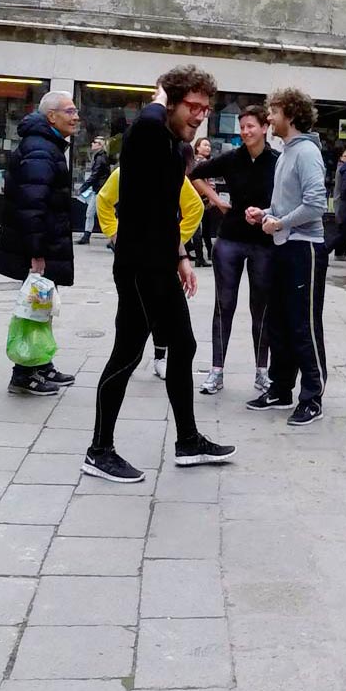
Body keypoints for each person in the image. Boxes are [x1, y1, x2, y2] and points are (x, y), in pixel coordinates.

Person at [83, 65, 235, 483]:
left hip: (160, 264)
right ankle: (99, 451)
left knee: (182, 345)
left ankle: (187, 441)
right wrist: (159, 96)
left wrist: (181, 255)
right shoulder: (147, 133)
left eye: (206, 109)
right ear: (171, 101)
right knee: (127, 354)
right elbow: (152, 115)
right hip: (136, 266)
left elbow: (167, 211)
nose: (200, 115)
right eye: (192, 106)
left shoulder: (173, 147)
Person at [245, 87, 329, 426]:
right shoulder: (287, 152)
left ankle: (312, 395)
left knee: (303, 324)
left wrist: (279, 221)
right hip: (283, 245)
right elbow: (290, 204)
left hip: (303, 248)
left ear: (291, 116)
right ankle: (281, 389)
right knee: (278, 320)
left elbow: (316, 205)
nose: (269, 118)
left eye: (274, 112)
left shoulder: (306, 152)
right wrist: (264, 212)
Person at [96, 142, 205, 382]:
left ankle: (158, 357)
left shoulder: (171, 171)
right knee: (130, 310)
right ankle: (128, 357)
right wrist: (114, 234)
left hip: (160, 257)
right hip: (132, 256)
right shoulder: (126, 172)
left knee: (164, 313)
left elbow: (194, 208)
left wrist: (177, 246)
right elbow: (103, 200)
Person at [189, 104, 278, 396]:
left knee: (261, 308)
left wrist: (270, 214)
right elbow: (195, 173)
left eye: (251, 126)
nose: (245, 131)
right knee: (223, 305)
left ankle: (262, 372)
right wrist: (216, 200)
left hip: (264, 242)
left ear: (265, 127)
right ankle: (216, 371)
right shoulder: (232, 158)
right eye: (242, 127)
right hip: (230, 239)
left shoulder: (278, 161)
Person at [0, 91, 79, 396]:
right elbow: (33, 203)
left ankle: (41, 365)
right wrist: (36, 252)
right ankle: (23, 373)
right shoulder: (41, 148)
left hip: (46, 243)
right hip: (38, 248)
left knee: (41, 307)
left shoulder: (47, 145)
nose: (76, 116)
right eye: (69, 111)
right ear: (51, 117)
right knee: (33, 308)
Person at [78, 135, 112, 245]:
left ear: (99, 145)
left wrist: (83, 187)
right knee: (90, 213)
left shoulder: (100, 158)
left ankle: (114, 238)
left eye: (94, 142)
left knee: (102, 215)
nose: (92, 144)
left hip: (101, 191)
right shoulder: (99, 157)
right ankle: (86, 237)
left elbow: (95, 175)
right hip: (99, 190)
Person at [189, 136, 217, 266]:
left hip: (201, 198)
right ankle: (201, 256)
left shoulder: (200, 161)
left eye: (209, 146)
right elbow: (204, 183)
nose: (208, 147)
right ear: (197, 147)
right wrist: (211, 197)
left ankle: (201, 255)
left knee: (201, 228)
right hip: (201, 198)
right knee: (200, 228)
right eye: (205, 145)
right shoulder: (201, 162)